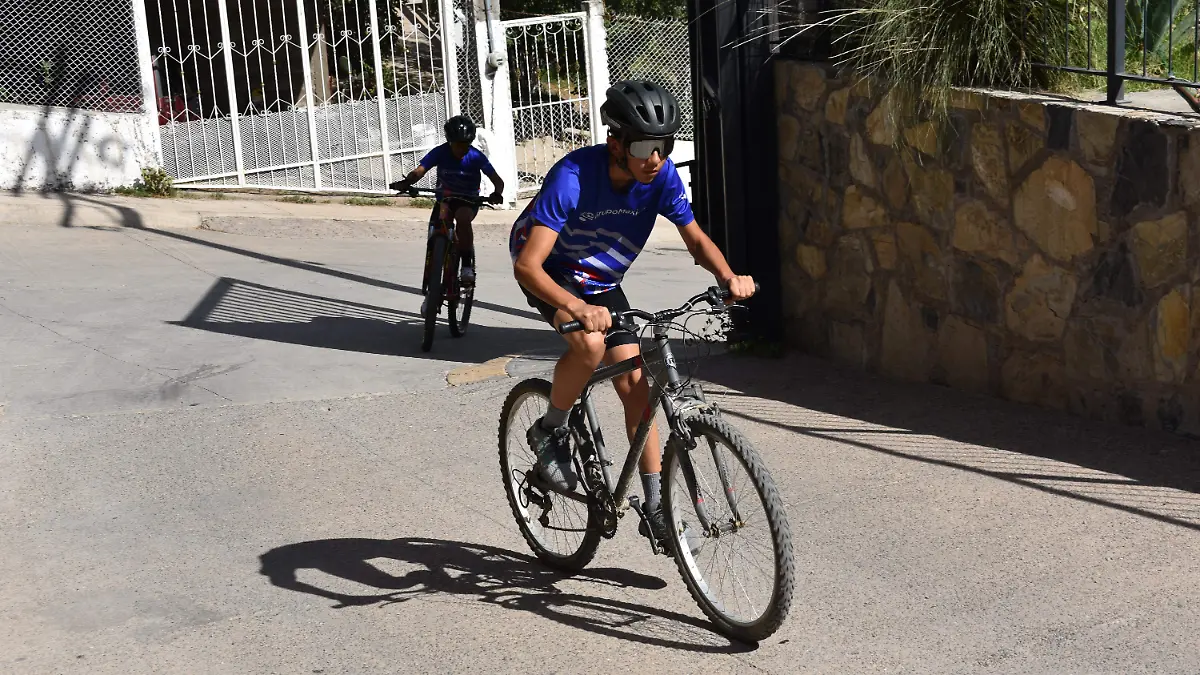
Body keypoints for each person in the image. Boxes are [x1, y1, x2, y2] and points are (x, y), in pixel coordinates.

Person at [508, 80, 756, 544]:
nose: (655, 157)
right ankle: (550, 430)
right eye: (643, 146)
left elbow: (696, 239)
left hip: (603, 282)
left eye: (664, 145)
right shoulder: (574, 178)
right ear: (615, 143)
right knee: (588, 342)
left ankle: (656, 504)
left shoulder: (660, 178)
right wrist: (576, 306)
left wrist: (728, 277)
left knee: (636, 385)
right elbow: (528, 265)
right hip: (553, 273)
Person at [392, 115, 504, 313]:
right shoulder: (440, 152)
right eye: (456, 145)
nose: (461, 150)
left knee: (462, 218)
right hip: (444, 199)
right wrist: (407, 183)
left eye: (465, 145)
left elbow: (497, 180)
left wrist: (497, 194)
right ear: (449, 142)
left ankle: (467, 266)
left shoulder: (476, 157)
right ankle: (431, 291)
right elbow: (420, 171)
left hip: (468, 200)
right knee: (434, 234)